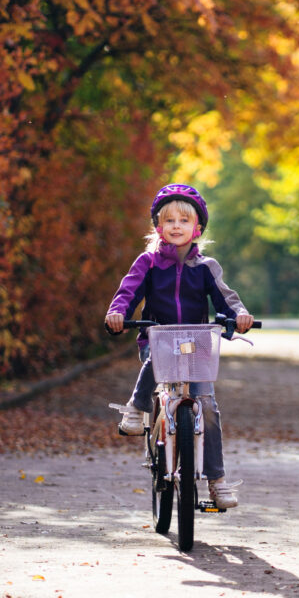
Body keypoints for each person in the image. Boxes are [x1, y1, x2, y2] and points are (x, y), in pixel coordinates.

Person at [105, 183, 253, 510]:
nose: (176, 226)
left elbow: (226, 298)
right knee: (159, 360)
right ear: (158, 227)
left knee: (209, 408)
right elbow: (128, 292)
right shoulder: (148, 263)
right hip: (157, 340)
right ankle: (138, 407)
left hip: (196, 347)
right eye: (168, 220)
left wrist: (239, 316)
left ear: (197, 228)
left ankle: (216, 481)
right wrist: (118, 314)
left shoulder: (206, 267)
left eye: (184, 221)